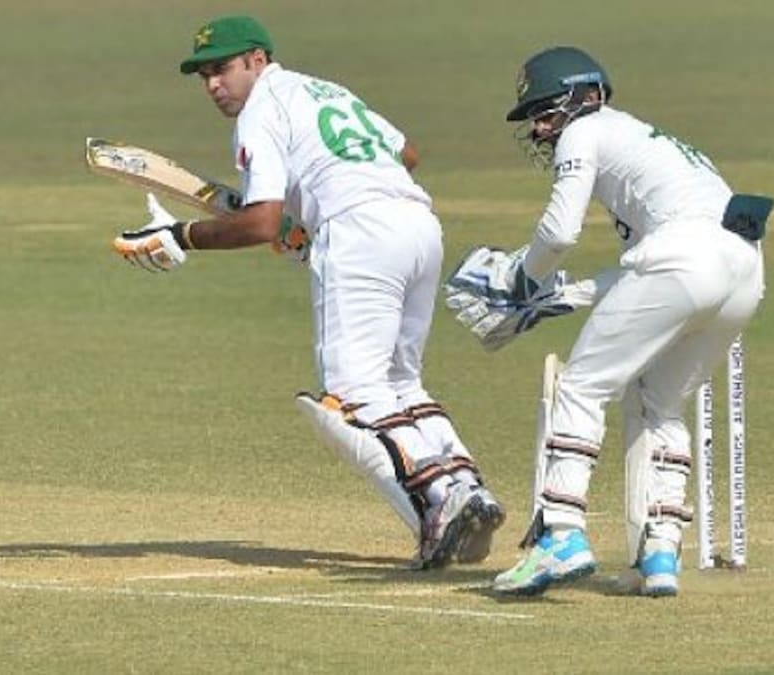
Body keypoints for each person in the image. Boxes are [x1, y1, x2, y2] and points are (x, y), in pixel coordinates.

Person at [111, 15, 504, 569]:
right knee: (399, 381)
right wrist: (315, 206)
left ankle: (445, 500)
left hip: (360, 233)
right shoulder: (324, 90)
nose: (213, 85)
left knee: (350, 396)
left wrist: (180, 235)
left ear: (257, 60)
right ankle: (469, 487)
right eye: (203, 76)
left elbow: (259, 224)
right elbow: (406, 154)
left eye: (222, 69)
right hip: (418, 224)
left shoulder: (260, 113)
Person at [456, 46, 769, 596]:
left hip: (687, 260)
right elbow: (657, 270)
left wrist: (523, 282)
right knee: (660, 402)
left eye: (545, 114)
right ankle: (661, 553)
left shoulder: (587, 131)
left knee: (580, 387)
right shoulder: (650, 146)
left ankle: (562, 535)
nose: (540, 131)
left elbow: (558, 234)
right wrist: (562, 295)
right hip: (745, 271)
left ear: (583, 98)